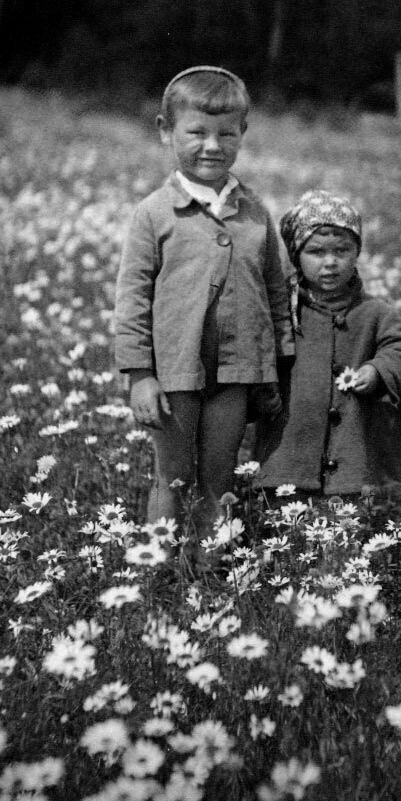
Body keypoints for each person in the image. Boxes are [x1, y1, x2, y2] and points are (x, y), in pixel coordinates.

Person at [114, 66, 294, 547]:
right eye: (196, 132)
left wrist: (280, 362)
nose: (212, 146)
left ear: (243, 134)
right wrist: (139, 375)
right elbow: (132, 299)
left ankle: (212, 570)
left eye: (226, 133)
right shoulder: (154, 214)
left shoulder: (255, 211)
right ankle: (162, 570)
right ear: (165, 131)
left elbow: (276, 290)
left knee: (220, 476)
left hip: (237, 374)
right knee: (172, 477)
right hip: (174, 371)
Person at [255, 189, 401, 497]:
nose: (330, 263)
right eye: (316, 252)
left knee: (350, 524)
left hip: (356, 454)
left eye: (342, 251)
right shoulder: (282, 312)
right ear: (296, 256)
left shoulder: (375, 312)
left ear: (356, 253)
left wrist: (378, 370)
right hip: (290, 450)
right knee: (288, 527)